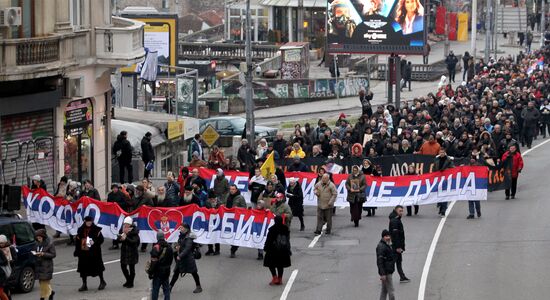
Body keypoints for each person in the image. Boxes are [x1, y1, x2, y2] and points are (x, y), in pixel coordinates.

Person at [74, 216, 106, 291]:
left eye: (90, 221)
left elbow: (101, 240)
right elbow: (77, 241)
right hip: (83, 252)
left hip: (94, 252)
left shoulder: (96, 230)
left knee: (98, 267)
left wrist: (94, 242)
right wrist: (77, 250)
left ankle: (102, 281)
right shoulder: (80, 230)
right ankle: (84, 284)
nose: (89, 223)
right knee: (83, 269)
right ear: (85, 222)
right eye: (87, 221)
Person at [169, 224, 202, 294]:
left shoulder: (189, 237)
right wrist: (176, 247)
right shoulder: (181, 236)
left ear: (186, 229)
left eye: (181, 227)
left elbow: (187, 248)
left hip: (188, 258)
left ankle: (198, 287)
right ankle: (170, 287)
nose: (180, 228)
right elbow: (179, 245)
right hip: (181, 258)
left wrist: (180, 256)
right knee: (176, 272)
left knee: (194, 272)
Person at [263, 215, 292, 286]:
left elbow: (269, 240)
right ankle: (280, 279)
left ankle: (274, 277)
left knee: (270, 264)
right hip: (283, 250)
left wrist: (266, 247)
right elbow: (287, 240)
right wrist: (288, 249)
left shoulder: (272, 229)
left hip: (273, 250)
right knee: (280, 265)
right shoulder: (285, 228)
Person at [149, 230, 174, 300]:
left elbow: (153, 262)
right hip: (166, 271)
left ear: (157, 237)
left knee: (155, 289)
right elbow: (171, 259)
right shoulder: (169, 247)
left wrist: (150, 272)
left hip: (158, 272)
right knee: (166, 289)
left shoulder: (156, 247)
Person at [225, 185, 247, 257]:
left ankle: (233, 250)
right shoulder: (228, 196)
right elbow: (225, 204)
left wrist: (238, 208)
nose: (231, 190)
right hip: (228, 218)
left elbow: (244, 207)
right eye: (230, 189)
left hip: (236, 219)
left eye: (233, 189)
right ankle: (232, 246)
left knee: (236, 234)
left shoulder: (240, 197)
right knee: (230, 234)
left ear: (236, 190)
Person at [33, 229, 56, 300]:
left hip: (46, 266)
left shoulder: (49, 244)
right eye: (37, 238)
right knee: (42, 282)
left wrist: (43, 254)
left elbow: (53, 254)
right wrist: (35, 253)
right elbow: (35, 250)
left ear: (43, 237)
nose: (38, 239)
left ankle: (43, 297)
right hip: (39, 265)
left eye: (39, 238)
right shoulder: (37, 243)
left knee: (44, 282)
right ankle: (50, 293)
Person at [117, 216, 140, 288]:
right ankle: (128, 280)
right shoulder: (122, 230)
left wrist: (126, 238)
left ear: (130, 224)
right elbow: (119, 240)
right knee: (123, 266)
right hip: (124, 252)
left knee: (131, 268)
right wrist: (119, 238)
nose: (125, 225)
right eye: (124, 224)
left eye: (127, 224)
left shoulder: (134, 231)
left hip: (132, 252)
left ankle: (131, 282)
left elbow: (134, 242)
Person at [389, 206, 409, 283]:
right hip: (395, 246)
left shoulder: (396, 219)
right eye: (400, 211)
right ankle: (385, 277)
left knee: (398, 261)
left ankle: (402, 276)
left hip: (397, 245)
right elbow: (395, 235)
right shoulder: (394, 221)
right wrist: (398, 247)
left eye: (402, 211)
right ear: (396, 211)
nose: (401, 212)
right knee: (392, 262)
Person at [433, 148, 454, 217]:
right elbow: (434, 168)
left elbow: (452, 168)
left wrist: (447, 170)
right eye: (440, 152)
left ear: (445, 153)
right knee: (439, 195)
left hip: (446, 180)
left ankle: (443, 211)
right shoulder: (436, 159)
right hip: (438, 179)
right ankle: (441, 207)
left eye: (442, 152)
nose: (441, 153)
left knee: (444, 195)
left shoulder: (448, 160)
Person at [377, 230, 395, 300]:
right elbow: (380, 261)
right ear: (383, 237)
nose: (388, 237)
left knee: (384, 291)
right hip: (386, 272)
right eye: (386, 236)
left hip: (387, 271)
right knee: (391, 291)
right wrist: (382, 274)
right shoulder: (381, 247)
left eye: (389, 236)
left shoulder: (386, 245)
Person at [204, 191, 221, 256]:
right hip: (209, 220)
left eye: (213, 199)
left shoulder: (220, 203)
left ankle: (217, 250)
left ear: (215, 198)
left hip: (217, 221)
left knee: (216, 235)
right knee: (209, 235)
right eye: (210, 199)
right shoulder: (207, 202)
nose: (212, 200)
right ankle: (210, 249)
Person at [0, 234, 17, 300]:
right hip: (2, 272)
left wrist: (10, 260)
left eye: (2, 243)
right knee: (3, 291)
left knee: (7, 291)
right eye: (0, 243)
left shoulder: (11, 248)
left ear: (5, 242)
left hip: (9, 271)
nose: (1, 244)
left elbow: (15, 259)